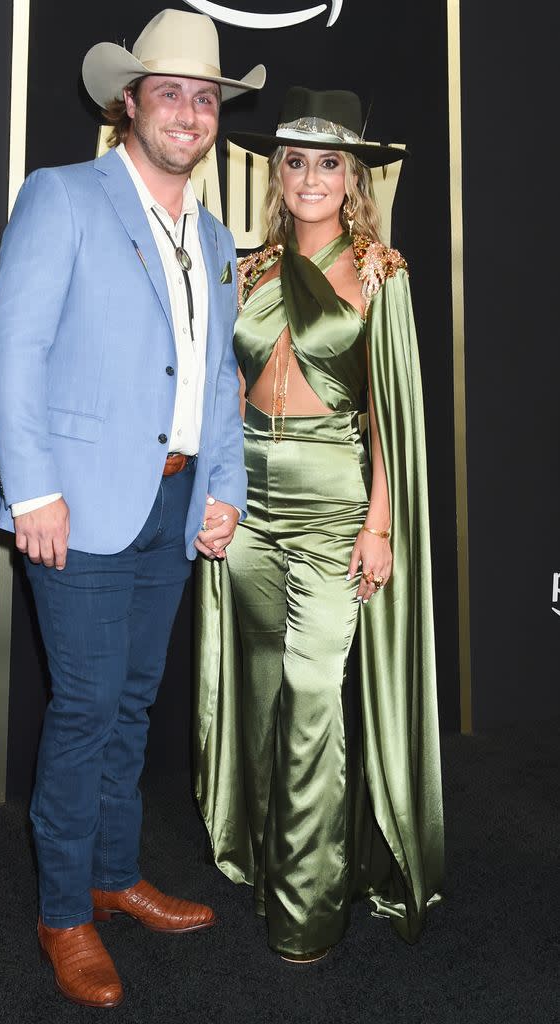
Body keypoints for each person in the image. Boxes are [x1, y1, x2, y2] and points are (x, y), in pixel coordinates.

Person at [0, 8, 265, 1008]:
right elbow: (12, 351)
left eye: (205, 98)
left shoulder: (217, 234)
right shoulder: (61, 198)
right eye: (171, 93)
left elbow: (217, 378)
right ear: (128, 103)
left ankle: (112, 873)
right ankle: (65, 910)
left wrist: (222, 486)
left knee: (135, 702)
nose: (189, 111)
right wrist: (35, 490)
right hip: (79, 503)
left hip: (178, 501)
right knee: (88, 707)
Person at [194, 87, 444, 963]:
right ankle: (272, 863)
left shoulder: (384, 273)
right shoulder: (252, 268)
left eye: (328, 161)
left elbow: (391, 419)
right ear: (277, 172)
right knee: (264, 693)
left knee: (310, 700)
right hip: (250, 509)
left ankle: (307, 912)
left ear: (354, 178)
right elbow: (223, 391)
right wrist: (215, 494)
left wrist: (379, 526)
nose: (309, 176)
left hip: (336, 504)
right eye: (294, 159)